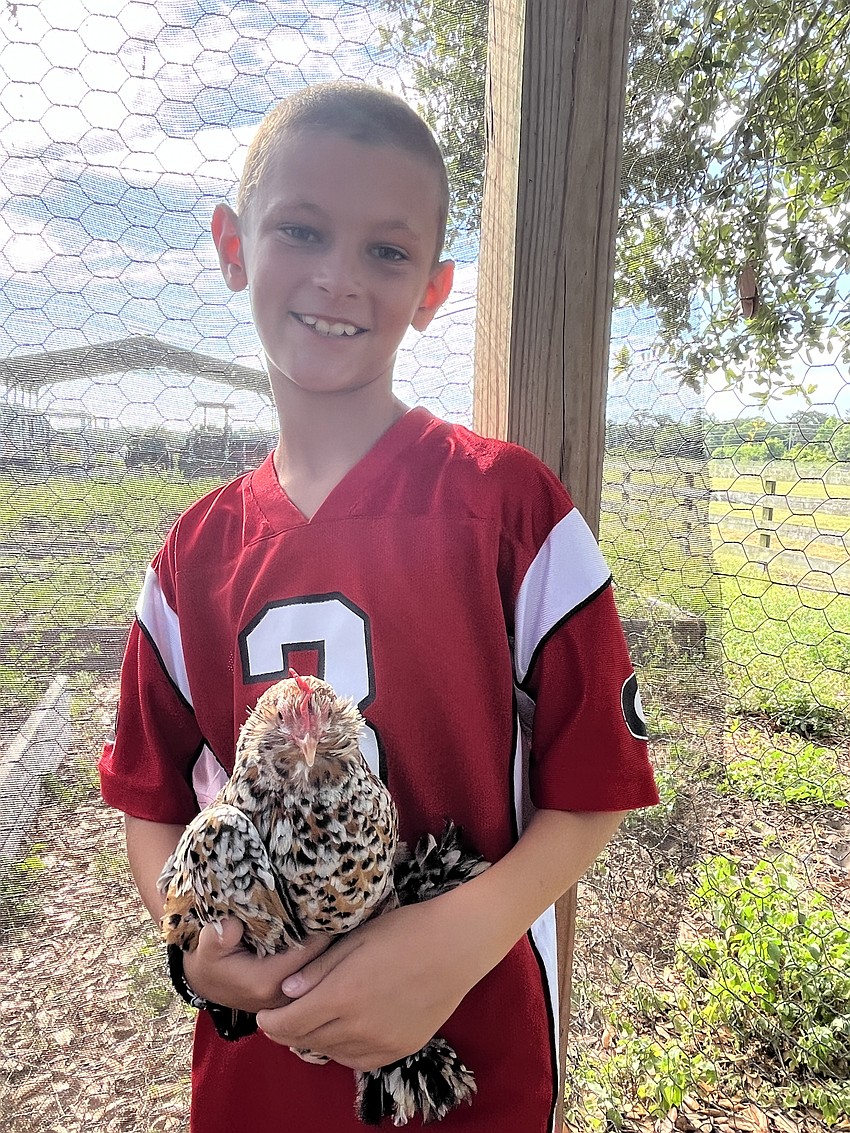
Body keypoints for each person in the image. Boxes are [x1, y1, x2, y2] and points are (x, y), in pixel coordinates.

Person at [99, 81, 658, 1133]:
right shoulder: (189, 558)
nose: (337, 277)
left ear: (436, 288)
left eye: (387, 251)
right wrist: (199, 946)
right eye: (301, 229)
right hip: (258, 1089)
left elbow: (594, 784)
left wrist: (458, 935)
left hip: (474, 1071)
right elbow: (151, 805)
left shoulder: (513, 509)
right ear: (232, 246)